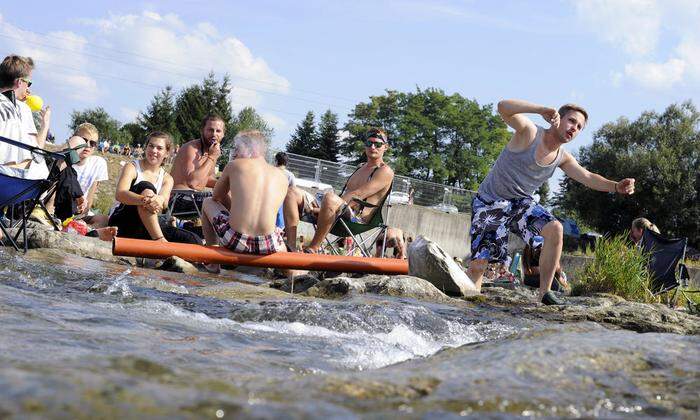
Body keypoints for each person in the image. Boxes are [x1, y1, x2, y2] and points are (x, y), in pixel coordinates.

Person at [468, 99, 635, 305]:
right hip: (490, 203)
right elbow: (503, 108)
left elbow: (588, 177)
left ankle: (544, 293)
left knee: (555, 228)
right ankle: (469, 309)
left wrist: (616, 186)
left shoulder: (562, 157)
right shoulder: (530, 133)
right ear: (557, 119)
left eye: (579, 127)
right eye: (571, 121)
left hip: (521, 205)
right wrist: (540, 110)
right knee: (479, 266)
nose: (574, 128)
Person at [284, 127, 394, 253]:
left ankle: (313, 248)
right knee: (292, 192)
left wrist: (322, 208)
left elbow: (357, 195)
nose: (373, 147)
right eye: (369, 143)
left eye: (378, 144)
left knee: (330, 197)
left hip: (357, 220)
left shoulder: (385, 171)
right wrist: (324, 205)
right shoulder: (361, 167)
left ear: (385, 147)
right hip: (336, 210)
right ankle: (291, 246)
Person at [200, 130, 288, 273]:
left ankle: (213, 262)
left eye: (238, 148)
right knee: (276, 235)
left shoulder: (235, 165)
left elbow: (217, 197)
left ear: (251, 149)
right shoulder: (282, 177)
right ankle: (288, 274)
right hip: (268, 244)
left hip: (236, 240)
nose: (234, 153)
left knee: (207, 201)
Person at [108, 132, 175, 242]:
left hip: (148, 225)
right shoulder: (132, 167)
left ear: (166, 153)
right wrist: (145, 200)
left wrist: (158, 199)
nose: (154, 151)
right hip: (123, 221)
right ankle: (160, 240)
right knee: (146, 187)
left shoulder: (168, 179)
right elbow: (120, 194)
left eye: (159, 148)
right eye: (151, 146)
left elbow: (164, 203)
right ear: (146, 147)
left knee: (192, 239)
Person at [0, 54, 50, 175]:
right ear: (19, 82)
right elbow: (37, 155)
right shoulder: (23, 109)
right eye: (28, 83)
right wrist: (45, 124)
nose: (28, 88)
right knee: (45, 168)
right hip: (10, 180)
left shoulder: (17, 107)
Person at [169, 114, 224, 216]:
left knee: (230, 194)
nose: (214, 134)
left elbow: (207, 179)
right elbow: (193, 182)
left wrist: (228, 184)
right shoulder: (191, 148)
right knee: (223, 197)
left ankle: (233, 229)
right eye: (210, 130)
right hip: (178, 199)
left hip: (194, 198)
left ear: (223, 134)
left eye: (218, 131)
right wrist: (211, 157)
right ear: (202, 130)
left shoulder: (211, 151)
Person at [67, 123, 109, 227]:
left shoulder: (98, 163)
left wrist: (82, 215)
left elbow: (90, 195)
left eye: (93, 143)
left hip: (80, 212)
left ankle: (83, 231)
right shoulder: (65, 160)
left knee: (104, 219)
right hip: (62, 207)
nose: (88, 145)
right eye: (84, 141)